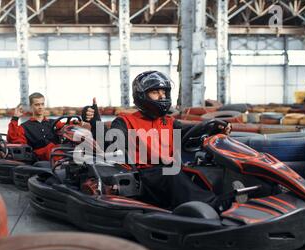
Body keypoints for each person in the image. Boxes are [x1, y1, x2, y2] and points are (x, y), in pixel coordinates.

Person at [82, 70, 232, 211]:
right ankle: (214, 205)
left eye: (164, 92)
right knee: (171, 173)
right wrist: (95, 122)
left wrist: (213, 127)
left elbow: (191, 131)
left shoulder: (169, 122)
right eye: (155, 92)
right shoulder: (126, 121)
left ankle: (232, 194)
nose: (162, 96)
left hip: (168, 172)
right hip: (143, 176)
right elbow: (110, 145)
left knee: (197, 170)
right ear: (142, 95)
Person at [7, 92, 60, 161]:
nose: (40, 107)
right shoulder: (24, 127)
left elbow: (69, 128)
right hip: (40, 159)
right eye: (37, 105)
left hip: (59, 154)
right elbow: (13, 139)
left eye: (42, 104)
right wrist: (15, 118)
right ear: (31, 106)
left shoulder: (55, 122)